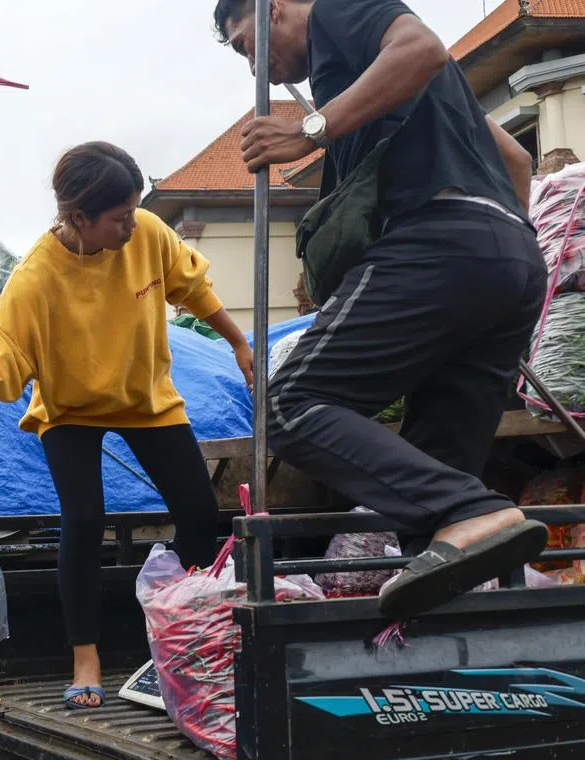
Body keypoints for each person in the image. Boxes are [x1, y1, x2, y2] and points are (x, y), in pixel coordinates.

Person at [214, 0, 548, 619]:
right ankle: (452, 661)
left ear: (276, 9)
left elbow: (419, 47)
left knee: (285, 403)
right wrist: (496, 257)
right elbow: (517, 160)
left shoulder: (339, 13)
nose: (254, 66)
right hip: (510, 257)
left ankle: (472, 512)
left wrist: (309, 129)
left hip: (441, 241)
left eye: (245, 44)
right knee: (443, 514)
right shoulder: (399, 90)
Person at [0, 141, 253, 709]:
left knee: (198, 510)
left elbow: (190, 285)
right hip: (69, 409)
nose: (131, 226)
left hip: (146, 399)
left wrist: (239, 341)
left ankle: (173, 622)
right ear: (77, 219)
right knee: (85, 518)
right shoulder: (36, 280)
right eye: (119, 218)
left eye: (133, 212)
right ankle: (85, 654)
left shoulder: (144, 233)